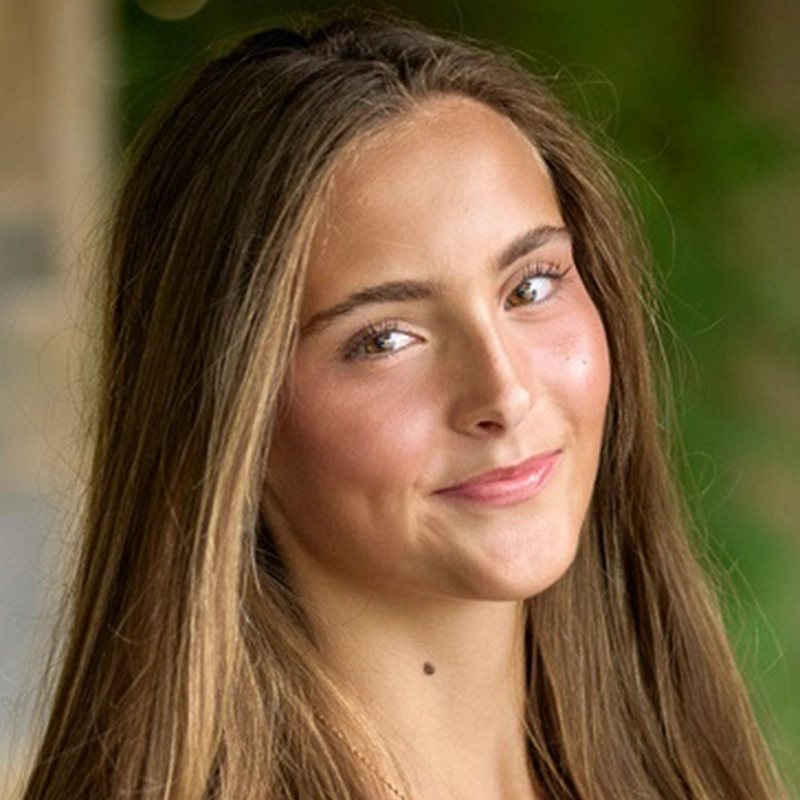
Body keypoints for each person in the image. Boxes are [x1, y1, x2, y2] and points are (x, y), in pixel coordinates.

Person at [19, 11, 789, 800]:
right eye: (384, 339)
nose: (505, 392)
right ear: (230, 418)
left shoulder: (688, 769)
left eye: (530, 286)